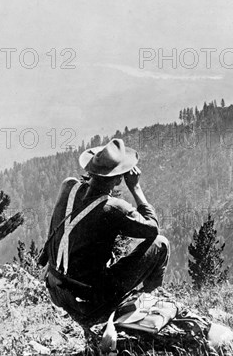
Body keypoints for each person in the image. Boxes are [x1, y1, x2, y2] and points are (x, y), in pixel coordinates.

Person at [38, 138, 169, 328]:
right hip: (88, 303)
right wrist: (135, 188)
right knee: (161, 243)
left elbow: (57, 227)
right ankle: (149, 302)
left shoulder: (68, 186)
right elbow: (152, 229)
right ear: (118, 179)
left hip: (55, 290)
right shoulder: (113, 208)